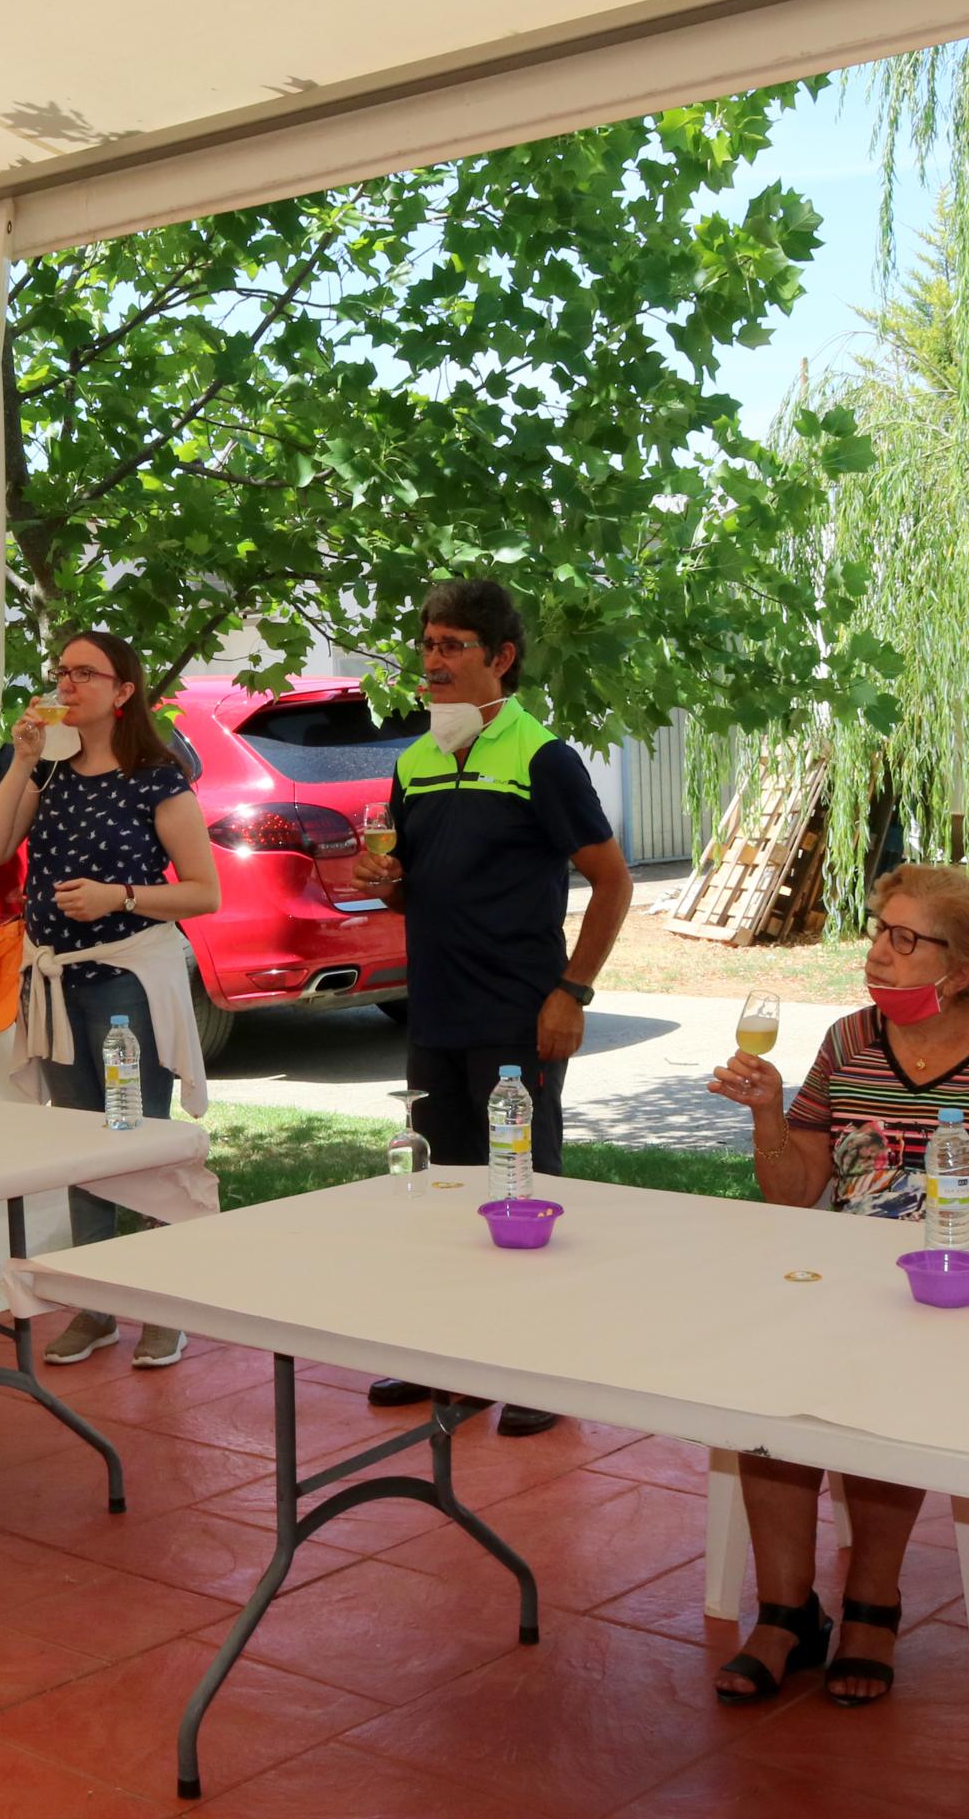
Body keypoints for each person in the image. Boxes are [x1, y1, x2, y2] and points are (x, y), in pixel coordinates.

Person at [708, 864, 969, 1704]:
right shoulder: (848, 1039)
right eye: (880, 929)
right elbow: (795, 1193)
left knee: (885, 1381)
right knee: (763, 1372)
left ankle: (872, 1604)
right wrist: (769, 1113)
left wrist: (935, 1251)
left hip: (967, 1287)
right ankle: (786, 1613)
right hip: (849, 1278)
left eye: (905, 938)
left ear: (960, 969)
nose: (878, 951)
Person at [349, 578, 632, 1437]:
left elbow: (614, 882)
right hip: (433, 1013)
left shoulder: (543, 758)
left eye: (452, 646)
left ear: (501, 658)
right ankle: (450, 1360)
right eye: (427, 644)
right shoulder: (414, 760)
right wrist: (384, 881)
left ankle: (541, 1368)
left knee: (521, 1194)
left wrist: (571, 993)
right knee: (440, 1190)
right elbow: (414, 890)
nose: (432, 661)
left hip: (518, 1014)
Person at [0, 628, 221, 1371]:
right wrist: (21, 760)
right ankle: (97, 1304)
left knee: (137, 1138)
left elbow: (203, 892)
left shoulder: (157, 779)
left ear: (123, 691)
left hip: (125, 979)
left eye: (85, 673)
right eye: (62, 672)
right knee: (80, 1145)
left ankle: (166, 1305)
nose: (67, 684)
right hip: (57, 979)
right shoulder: (50, 772)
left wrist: (120, 896)